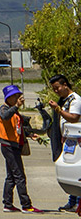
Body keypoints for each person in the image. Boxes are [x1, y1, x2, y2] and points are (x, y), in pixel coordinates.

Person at [0, 84, 39, 213]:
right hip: (8, 145)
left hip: (14, 144)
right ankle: (26, 205)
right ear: (8, 98)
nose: (17, 99)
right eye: (14, 97)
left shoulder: (13, 110)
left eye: (18, 96)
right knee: (20, 176)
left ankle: (8, 204)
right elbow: (5, 117)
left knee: (11, 176)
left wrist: (29, 134)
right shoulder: (4, 109)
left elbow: (17, 126)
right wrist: (16, 106)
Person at [49, 74, 81, 211]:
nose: (56, 91)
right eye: (54, 89)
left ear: (65, 85)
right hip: (68, 140)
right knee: (69, 171)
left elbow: (74, 118)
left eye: (57, 88)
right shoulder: (64, 99)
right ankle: (71, 200)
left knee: (78, 172)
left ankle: (78, 202)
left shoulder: (76, 100)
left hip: (77, 141)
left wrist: (58, 109)